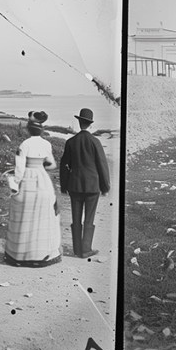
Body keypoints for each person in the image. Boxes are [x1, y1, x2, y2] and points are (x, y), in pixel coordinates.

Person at [5, 112, 62, 267]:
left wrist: (16, 184)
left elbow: (19, 168)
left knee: (25, 214)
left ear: (28, 130)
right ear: (41, 130)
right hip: (42, 178)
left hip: (28, 177)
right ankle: (41, 254)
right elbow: (52, 164)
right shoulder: (46, 144)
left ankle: (22, 254)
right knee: (42, 215)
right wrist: (41, 165)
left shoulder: (24, 145)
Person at [60, 108, 111, 259]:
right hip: (92, 187)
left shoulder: (71, 142)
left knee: (76, 218)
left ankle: (77, 249)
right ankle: (86, 250)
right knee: (89, 218)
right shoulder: (95, 142)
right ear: (90, 124)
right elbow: (102, 165)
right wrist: (105, 187)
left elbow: (64, 165)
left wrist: (64, 186)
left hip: (74, 186)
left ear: (79, 122)